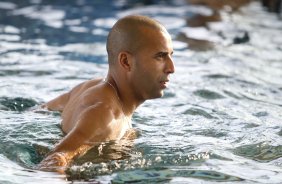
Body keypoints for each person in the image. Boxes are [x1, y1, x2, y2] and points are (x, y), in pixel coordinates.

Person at [37, 15, 175, 173]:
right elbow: (54, 160)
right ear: (126, 61)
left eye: (171, 55)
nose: (171, 68)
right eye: (160, 56)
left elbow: (40, 110)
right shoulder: (106, 114)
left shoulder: (90, 87)